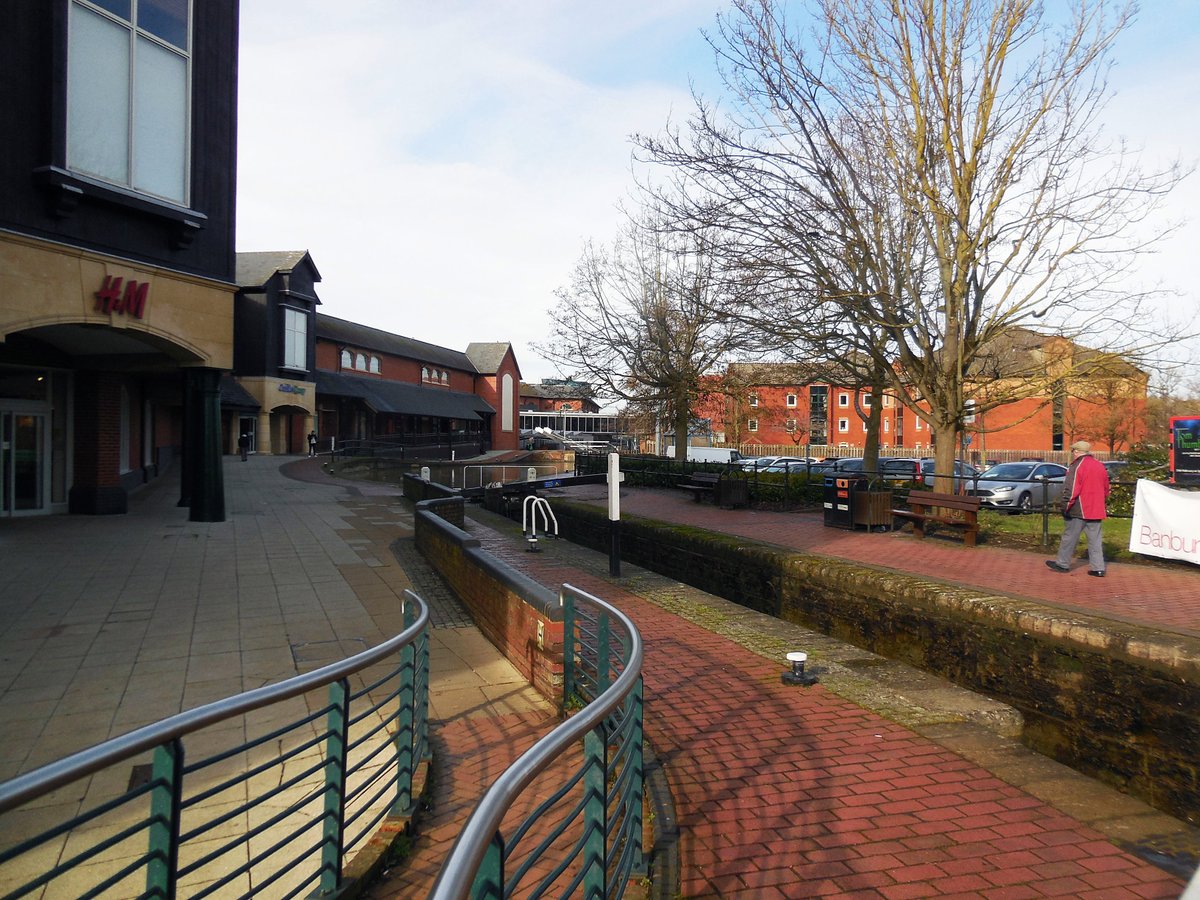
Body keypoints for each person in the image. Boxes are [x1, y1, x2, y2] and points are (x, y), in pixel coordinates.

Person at [1046, 440, 1110, 576]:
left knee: (1069, 537)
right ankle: (1098, 568)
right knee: (1095, 540)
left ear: (1076, 451)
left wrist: (1065, 506)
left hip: (1079, 508)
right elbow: (1106, 488)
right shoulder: (1099, 465)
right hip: (1096, 508)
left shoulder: (1077, 466)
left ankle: (1062, 563)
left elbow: (1071, 488)